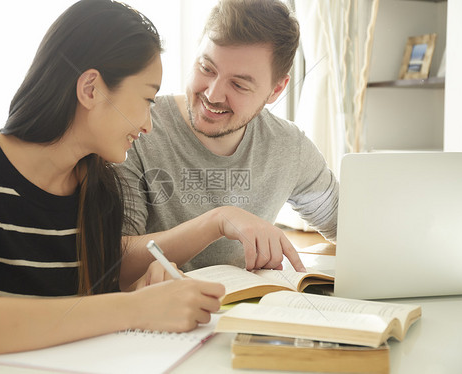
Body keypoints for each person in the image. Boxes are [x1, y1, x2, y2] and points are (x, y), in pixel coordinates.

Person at [0, 0, 224, 368]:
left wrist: (138, 292)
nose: (148, 126)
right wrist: (133, 307)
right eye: (146, 99)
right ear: (91, 88)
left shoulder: (101, 192)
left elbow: (89, 314)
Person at [117, 0, 338, 282]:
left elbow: (348, 226)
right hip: (158, 317)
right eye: (207, 68)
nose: (213, 94)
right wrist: (217, 221)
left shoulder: (288, 146)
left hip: (249, 312)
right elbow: (114, 263)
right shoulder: (136, 129)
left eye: (239, 85)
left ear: (276, 89)